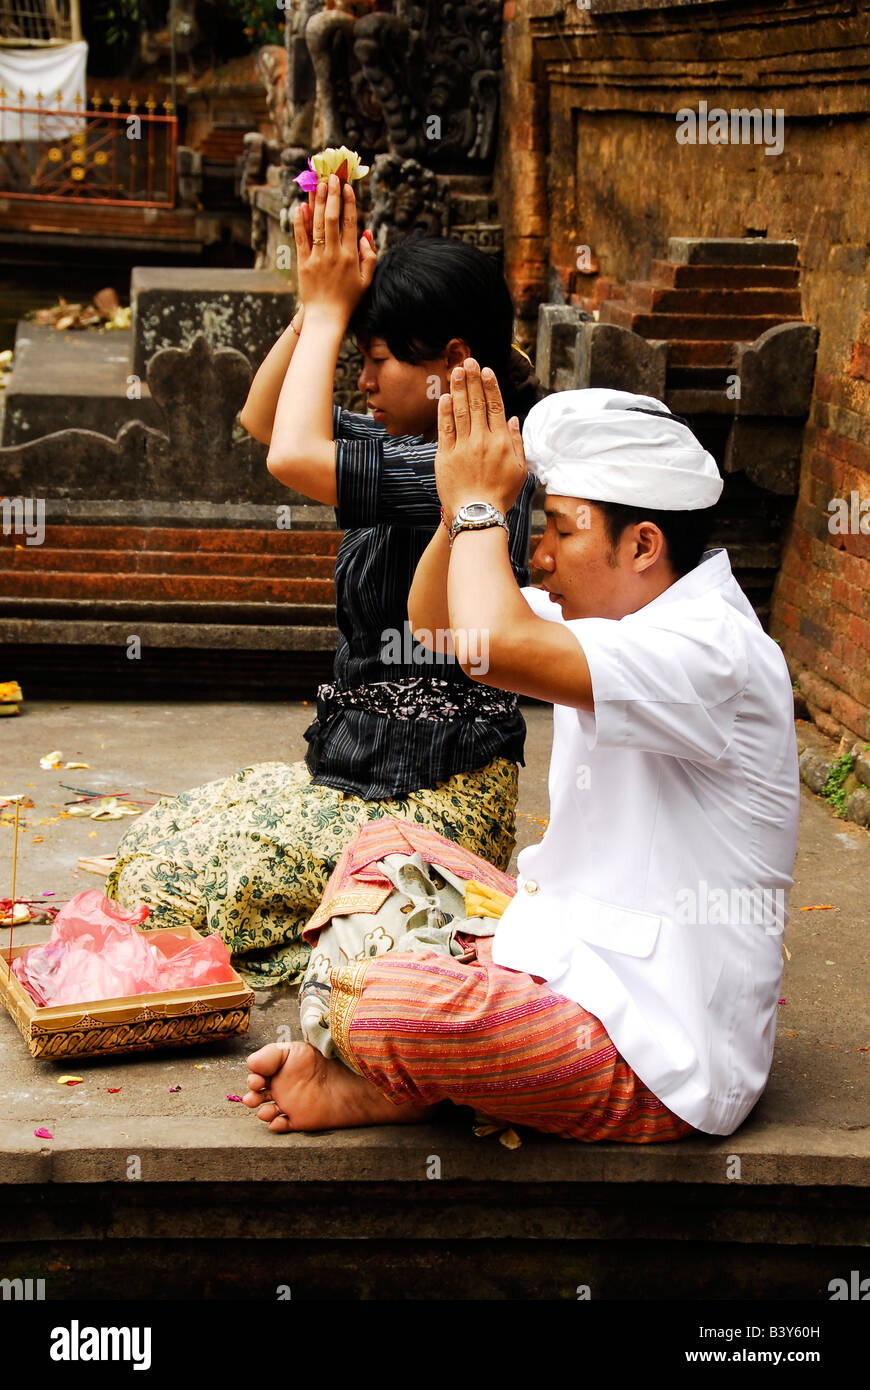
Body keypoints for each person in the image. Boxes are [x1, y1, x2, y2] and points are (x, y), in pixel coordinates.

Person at [242, 366, 800, 1143]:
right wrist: (454, 507)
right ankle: (410, 1067)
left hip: (657, 1049)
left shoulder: (713, 652)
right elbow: (440, 624)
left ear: (642, 544)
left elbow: (491, 647)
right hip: (568, 947)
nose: (539, 557)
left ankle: (390, 1075)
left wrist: (481, 508)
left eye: (561, 532)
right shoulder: (616, 617)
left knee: (391, 1003)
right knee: (382, 844)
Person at [105, 174, 539, 987]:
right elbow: (266, 420)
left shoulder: (464, 462)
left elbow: (290, 455)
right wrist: (318, 303)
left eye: (375, 362)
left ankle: (379, 956)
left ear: (452, 363)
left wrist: (335, 309)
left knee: (191, 890)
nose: (361, 382)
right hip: (359, 778)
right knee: (149, 851)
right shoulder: (409, 431)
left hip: (433, 799)